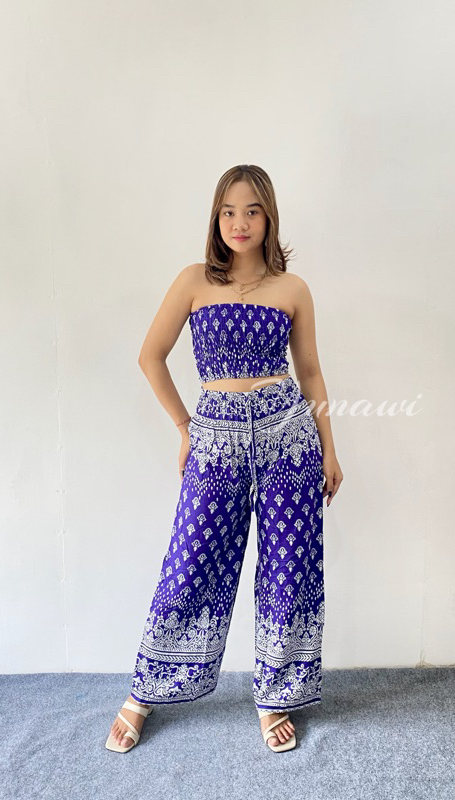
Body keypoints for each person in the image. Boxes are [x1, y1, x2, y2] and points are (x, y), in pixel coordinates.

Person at [106, 164, 343, 753]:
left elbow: (311, 372)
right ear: (216, 218)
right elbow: (150, 356)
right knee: (191, 561)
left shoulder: (293, 289)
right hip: (216, 436)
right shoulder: (194, 281)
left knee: (289, 566)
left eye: (253, 211)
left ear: (269, 218)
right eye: (229, 211)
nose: (240, 222)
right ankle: (144, 693)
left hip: (289, 434)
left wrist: (329, 449)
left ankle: (275, 696)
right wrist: (185, 426)